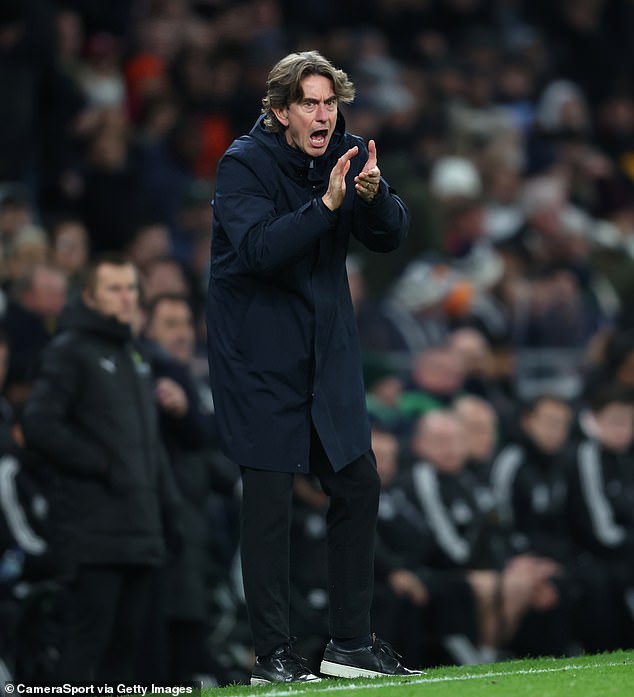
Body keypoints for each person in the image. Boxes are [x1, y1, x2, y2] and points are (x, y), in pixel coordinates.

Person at [206, 50, 415, 685]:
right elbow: (259, 250)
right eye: (310, 104)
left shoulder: (346, 153)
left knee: (358, 484)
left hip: (327, 353)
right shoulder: (242, 164)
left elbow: (391, 235)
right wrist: (325, 206)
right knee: (270, 504)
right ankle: (273, 653)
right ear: (280, 111)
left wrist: (373, 199)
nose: (324, 116)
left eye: (330, 103)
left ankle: (349, 643)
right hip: (259, 358)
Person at [20, 253, 181, 681]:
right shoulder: (69, 350)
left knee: (124, 653)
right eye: (114, 289)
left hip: (139, 529)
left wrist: (169, 508)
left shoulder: (134, 354)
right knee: (86, 649)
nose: (126, 298)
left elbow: (148, 445)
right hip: (92, 530)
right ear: (89, 297)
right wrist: (100, 464)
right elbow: (38, 424)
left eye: (131, 288)